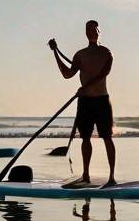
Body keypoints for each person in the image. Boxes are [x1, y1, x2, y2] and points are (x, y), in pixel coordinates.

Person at [48, 20, 116, 188]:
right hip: (85, 101)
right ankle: (85, 175)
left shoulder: (106, 53)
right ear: (85, 33)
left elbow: (103, 73)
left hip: (101, 99)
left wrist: (85, 86)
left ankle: (112, 177)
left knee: (107, 137)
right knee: (85, 138)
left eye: (94, 29)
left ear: (100, 31)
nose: (91, 32)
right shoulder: (80, 55)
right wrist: (55, 52)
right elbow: (68, 74)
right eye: (88, 29)